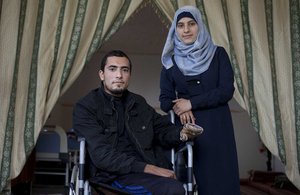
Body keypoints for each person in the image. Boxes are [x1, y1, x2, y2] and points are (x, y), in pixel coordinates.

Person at [73, 50, 203, 195]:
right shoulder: (86, 106)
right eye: (112, 69)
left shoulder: (138, 103)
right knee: (173, 189)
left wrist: (184, 132)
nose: (119, 75)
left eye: (125, 70)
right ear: (102, 74)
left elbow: (163, 130)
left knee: (174, 185)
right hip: (111, 176)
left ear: (129, 75)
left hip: (146, 174)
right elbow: (101, 154)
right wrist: (150, 169)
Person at [159, 5, 240, 195]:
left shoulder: (218, 54)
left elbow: (226, 91)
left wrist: (191, 103)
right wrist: (182, 108)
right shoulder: (170, 62)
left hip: (218, 127)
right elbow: (164, 100)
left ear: (200, 26)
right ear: (175, 30)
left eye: (191, 24)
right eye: (180, 25)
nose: (186, 30)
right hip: (186, 130)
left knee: (222, 183)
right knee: (183, 184)